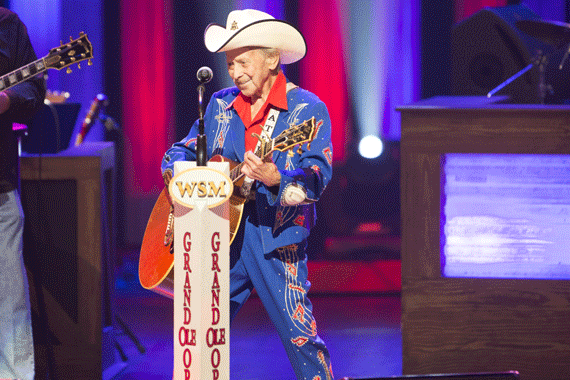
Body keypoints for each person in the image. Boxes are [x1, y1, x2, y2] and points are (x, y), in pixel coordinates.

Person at [161, 9, 334, 380]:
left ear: (272, 58)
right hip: (218, 235)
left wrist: (277, 178)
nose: (235, 72)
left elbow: (317, 175)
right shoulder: (220, 106)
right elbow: (179, 152)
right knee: (199, 332)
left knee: (300, 336)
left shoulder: (306, 109)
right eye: (229, 63)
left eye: (242, 61)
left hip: (274, 237)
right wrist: (181, 179)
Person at [0, 7, 46, 380]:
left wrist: (7, 99)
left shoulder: (7, 25)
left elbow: (35, 87)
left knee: (9, 297)